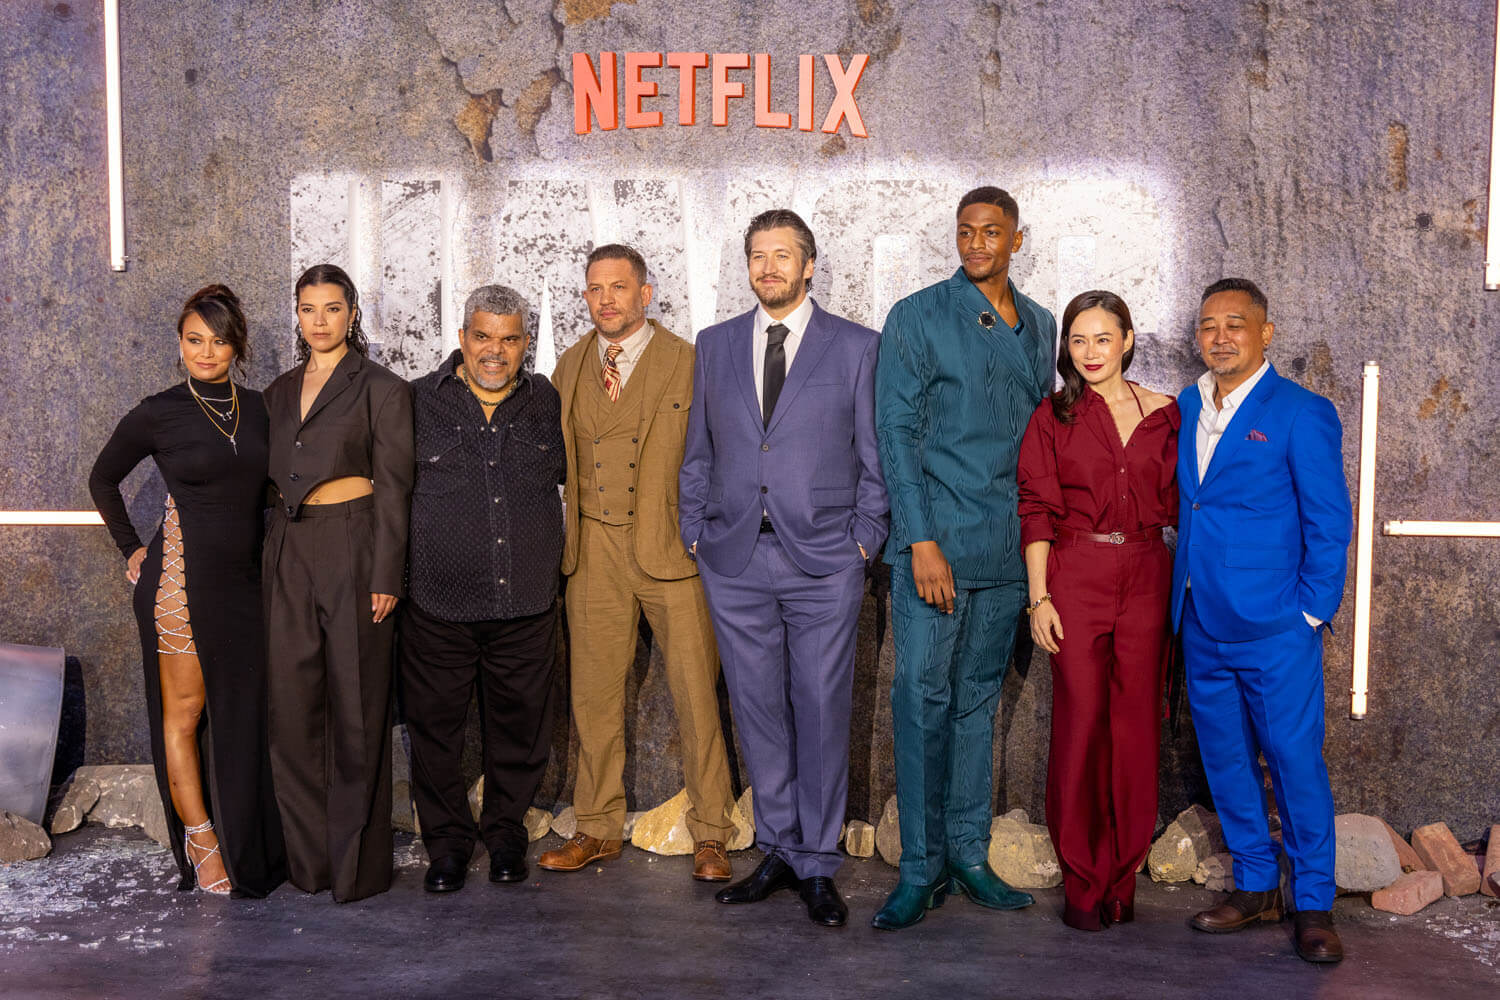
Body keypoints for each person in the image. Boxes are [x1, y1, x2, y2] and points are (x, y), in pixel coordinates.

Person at [680, 209, 888, 928]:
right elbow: (699, 450)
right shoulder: (714, 344)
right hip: (734, 558)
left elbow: (874, 454)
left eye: (782, 255)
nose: (768, 268)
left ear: (808, 265)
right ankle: (776, 848)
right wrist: (696, 533)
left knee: (822, 707)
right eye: (757, 256)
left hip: (825, 559)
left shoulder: (856, 346)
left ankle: (818, 863)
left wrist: (864, 540)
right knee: (758, 708)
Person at [870, 186, 1054, 929]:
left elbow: (1042, 441)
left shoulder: (1040, 323)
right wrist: (919, 540)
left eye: (991, 232)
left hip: (1006, 549)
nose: (977, 244)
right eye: (966, 232)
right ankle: (920, 869)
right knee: (921, 699)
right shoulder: (917, 315)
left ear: (1017, 239)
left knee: (978, 703)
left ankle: (970, 857)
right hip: (936, 545)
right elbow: (896, 432)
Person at [541, 244, 737, 883]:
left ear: (645, 294)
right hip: (592, 551)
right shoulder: (570, 365)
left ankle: (712, 833)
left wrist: (706, 532)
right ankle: (597, 827)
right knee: (593, 698)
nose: (606, 300)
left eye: (618, 287)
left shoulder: (689, 360)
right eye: (595, 289)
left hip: (671, 548)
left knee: (696, 696)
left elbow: (725, 451)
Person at [1173, 278, 1352, 963]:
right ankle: (1253, 887)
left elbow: (1329, 521)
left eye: (1235, 325)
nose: (1220, 337)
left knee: (1294, 762)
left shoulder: (1303, 412)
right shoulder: (1189, 403)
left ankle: (1313, 902)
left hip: (1277, 625)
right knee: (1225, 759)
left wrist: (1309, 611)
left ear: (1265, 332)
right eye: (1209, 326)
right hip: (1200, 619)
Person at [88, 284, 286, 897]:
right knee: (185, 714)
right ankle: (201, 843)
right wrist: (132, 548)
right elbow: (102, 478)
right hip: (179, 581)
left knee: (245, 715)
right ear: (179, 344)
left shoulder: (260, 409)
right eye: (194, 340)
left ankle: (251, 841)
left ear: (237, 348)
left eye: (219, 341)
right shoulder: (159, 412)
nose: (206, 351)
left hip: (245, 585)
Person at [1017, 290, 1178, 931]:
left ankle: (1122, 877)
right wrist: (1040, 598)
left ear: (1128, 340)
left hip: (1147, 573)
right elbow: (1036, 509)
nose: (1089, 352)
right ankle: (1083, 881)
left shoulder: (1166, 414)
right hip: (1075, 573)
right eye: (1078, 340)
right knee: (1080, 727)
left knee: (1135, 731)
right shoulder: (1052, 416)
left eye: (1103, 338)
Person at [401, 285, 565, 893]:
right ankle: (446, 845)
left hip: (526, 601)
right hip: (437, 603)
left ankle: (504, 835)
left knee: (520, 732)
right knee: (435, 735)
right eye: (483, 336)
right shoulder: (416, 400)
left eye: (509, 338)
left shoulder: (547, 400)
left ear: (525, 344)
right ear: (462, 337)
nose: (495, 350)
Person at [262, 263, 414, 902]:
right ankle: (310, 864)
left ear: (352, 313)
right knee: (293, 712)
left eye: (331, 308)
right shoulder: (277, 391)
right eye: (308, 309)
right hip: (287, 547)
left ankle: (357, 870)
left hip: (353, 545)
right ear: (296, 315)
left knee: (357, 711)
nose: (319, 321)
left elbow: (396, 489)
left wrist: (386, 573)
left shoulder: (382, 387)